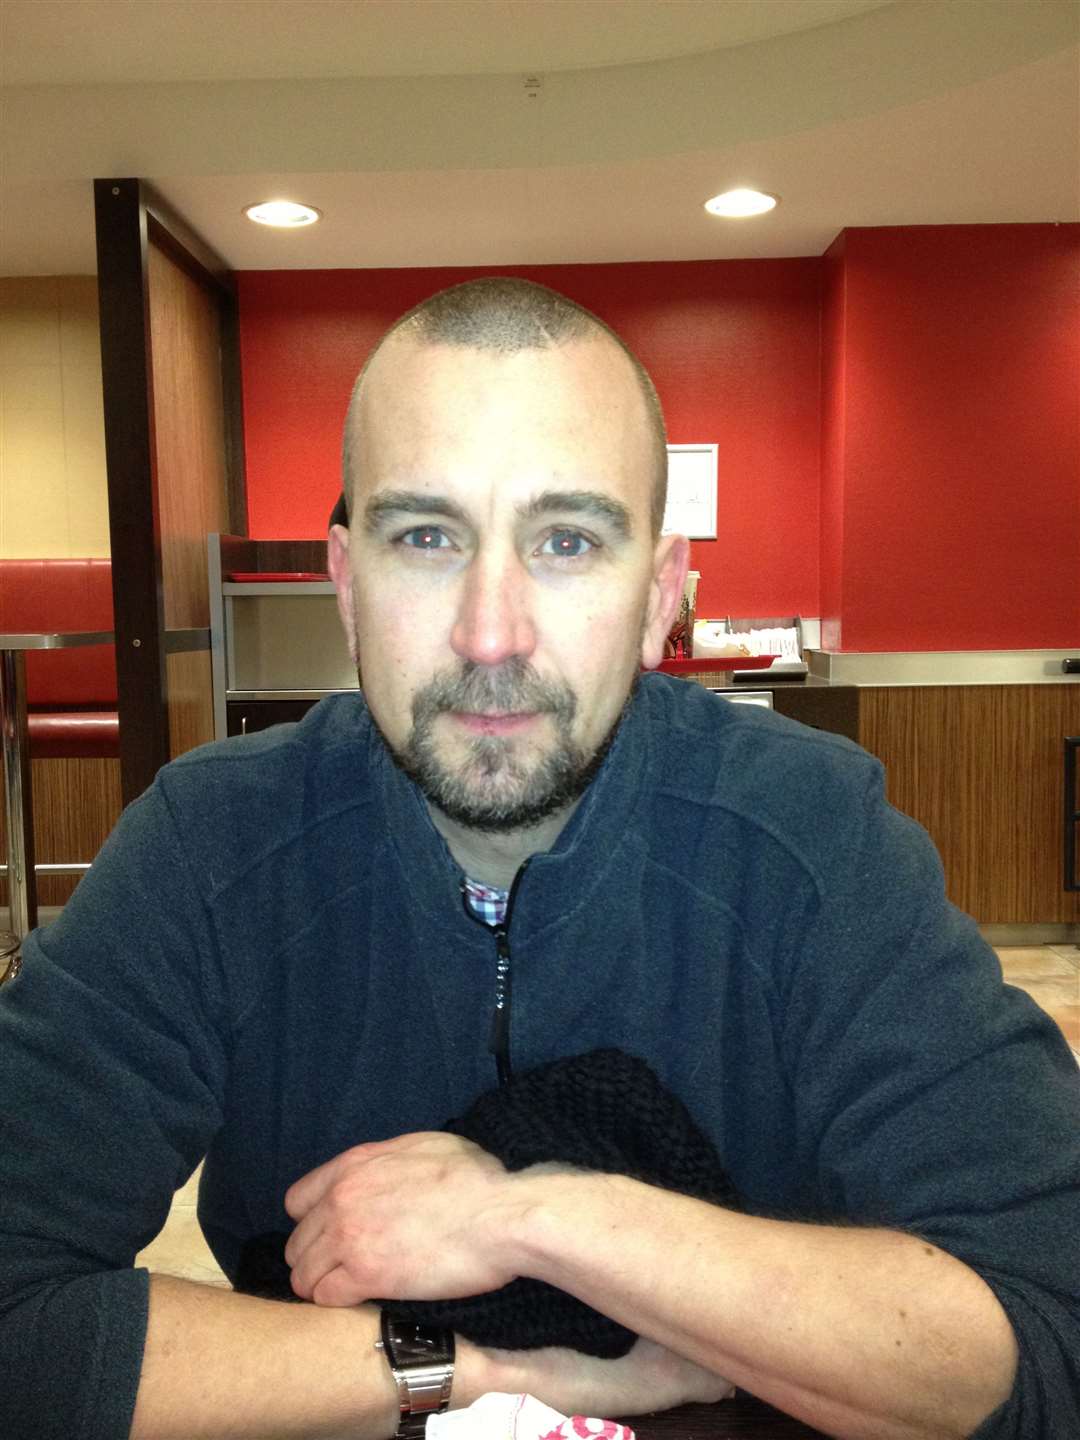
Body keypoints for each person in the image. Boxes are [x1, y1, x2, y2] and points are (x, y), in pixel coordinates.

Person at [0, 278, 1077, 1440]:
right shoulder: (211, 848)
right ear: (348, 585)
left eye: (567, 540)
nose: (492, 632)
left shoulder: (811, 836)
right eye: (426, 537)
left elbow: (1039, 1335)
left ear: (661, 591)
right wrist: (451, 1367)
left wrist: (536, 1218)